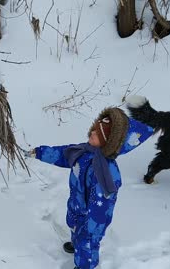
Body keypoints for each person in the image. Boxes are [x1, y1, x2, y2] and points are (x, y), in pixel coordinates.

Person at [25, 107, 154, 269]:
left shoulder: (106, 172)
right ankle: (76, 243)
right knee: (73, 224)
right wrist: (39, 152)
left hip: (93, 217)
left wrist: (92, 228)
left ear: (109, 142)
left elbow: (102, 206)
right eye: (94, 128)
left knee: (87, 243)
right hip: (77, 204)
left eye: (98, 134)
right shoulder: (83, 151)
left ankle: (84, 264)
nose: (93, 133)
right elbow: (62, 154)